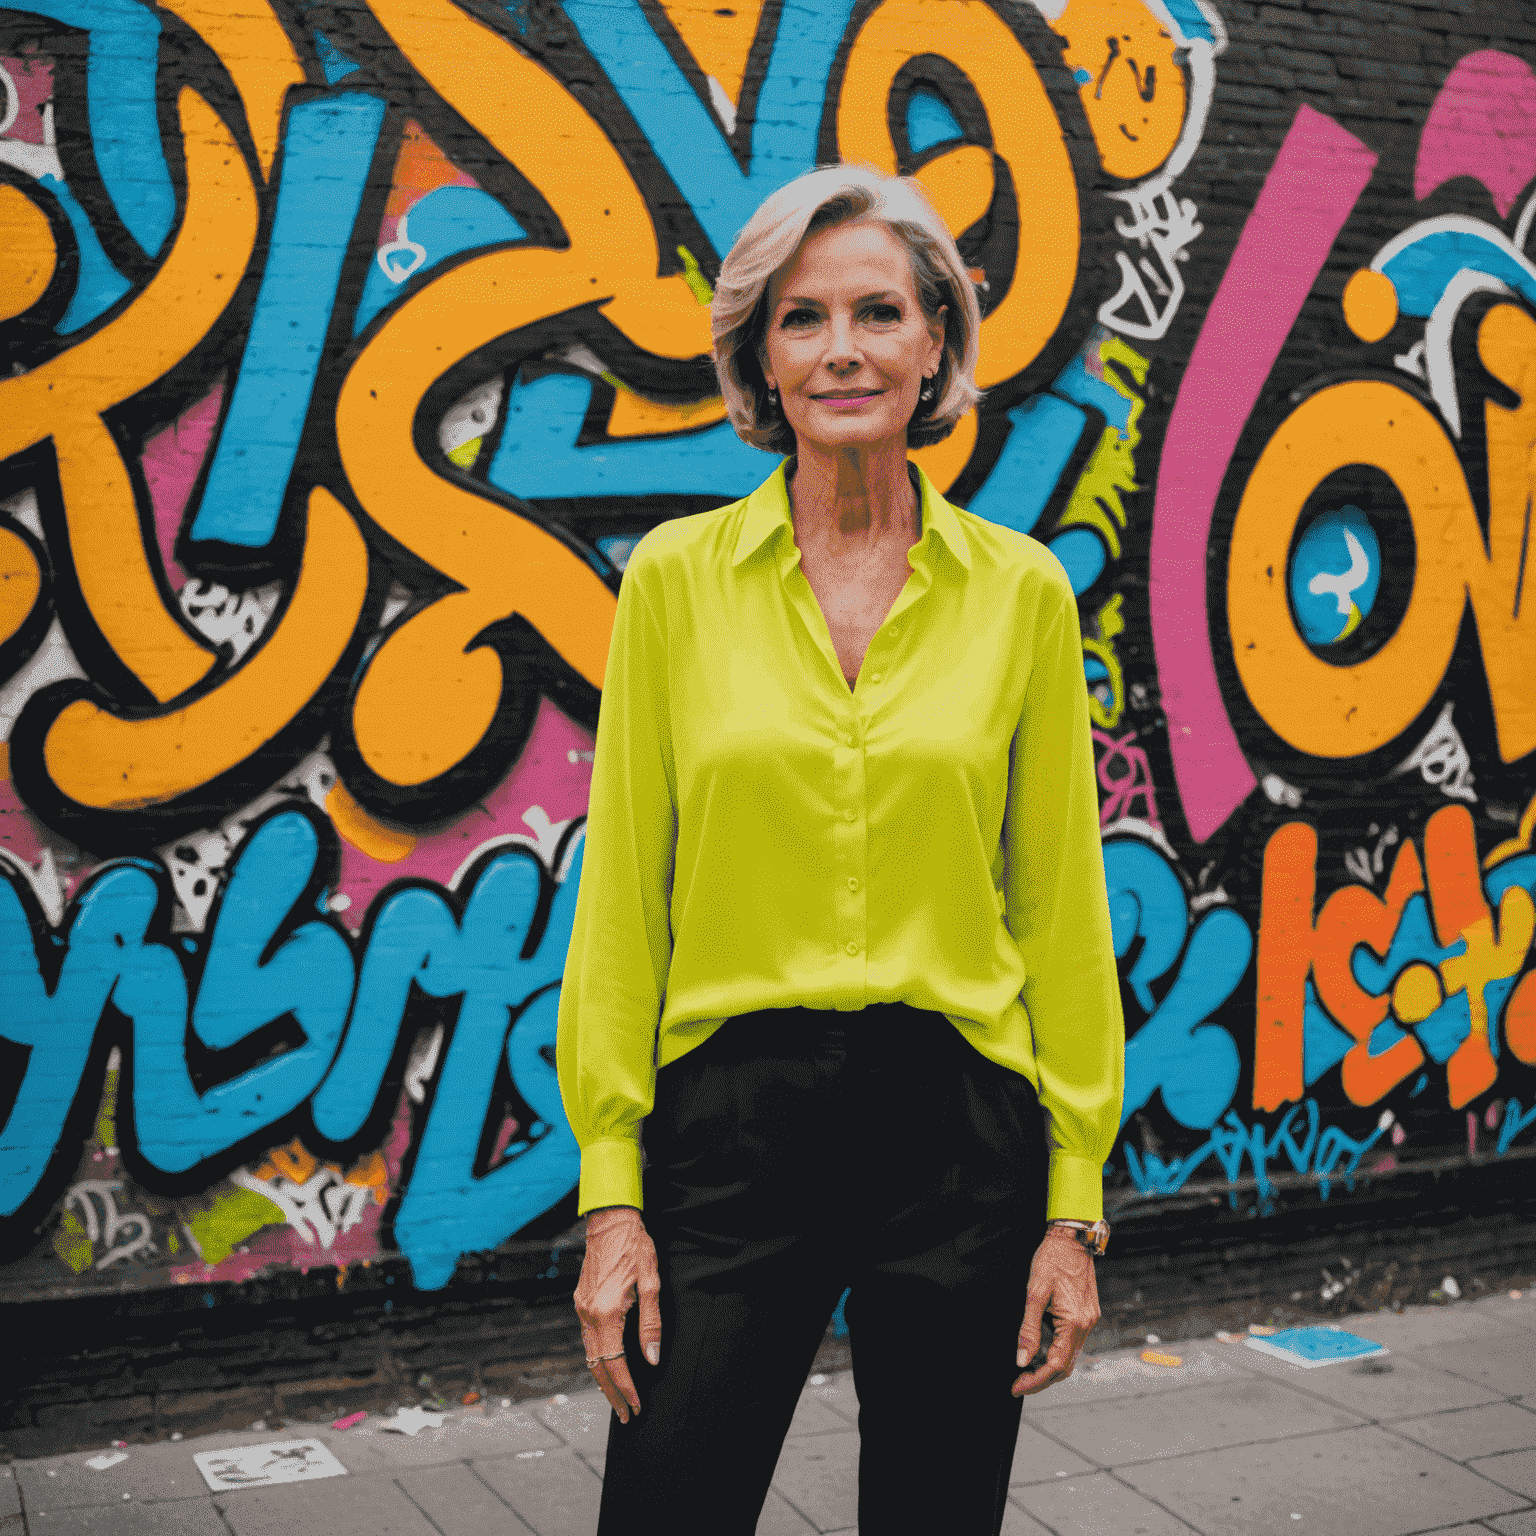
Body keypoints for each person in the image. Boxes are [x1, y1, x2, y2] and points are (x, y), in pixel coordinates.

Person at [555, 162, 1124, 1535]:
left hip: (958, 1137)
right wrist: (612, 1196)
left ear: (937, 341)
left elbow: (1058, 907)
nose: (844, 350)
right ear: (758, 351)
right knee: (667, 1507)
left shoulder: (1023, 596)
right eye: (802, 319)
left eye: (880, 311)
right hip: (734, 1131)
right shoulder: (677, 586)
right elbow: (625, 899)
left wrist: (1073, 1204)